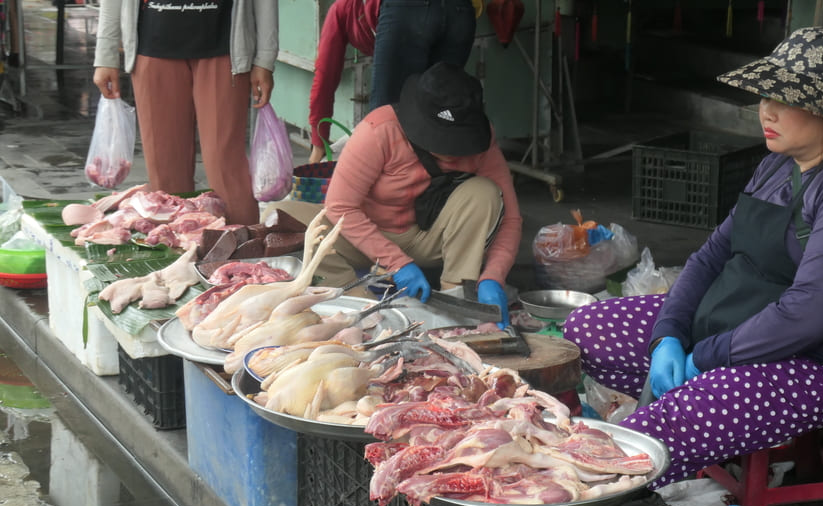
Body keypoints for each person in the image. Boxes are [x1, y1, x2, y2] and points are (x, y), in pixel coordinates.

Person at [563, 27, 823, 488]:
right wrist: (670, 334)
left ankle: (653, 459)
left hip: (816, 361)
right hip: (735, 321)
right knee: (585, 331)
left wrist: (704, 359)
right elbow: (711, 256)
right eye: (764, 95)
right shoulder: (779, 161)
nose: (765, 111)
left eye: (783, 99)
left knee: (658, 433)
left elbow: (806, 316)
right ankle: (700, 430)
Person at [271, 61, 521, 327]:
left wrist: (494, 277)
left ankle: (456, 297)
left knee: (483, 194)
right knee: (281, 218)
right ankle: (362, 304)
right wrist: (397, 262)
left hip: (431, 238)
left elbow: (512, 219)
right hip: (366, 238)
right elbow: (340, 206)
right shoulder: (379, 130)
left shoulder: (483, 141)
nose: (450, 149)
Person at [92, 0, 277, 226]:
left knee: (225, 161)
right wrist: (105, 55)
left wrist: (265, 59)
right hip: (152, 45)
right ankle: (175, 243)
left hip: (224, 47)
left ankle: (244, 248)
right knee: (164, 163)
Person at [307, 0, 482, 164]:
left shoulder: (341, 9)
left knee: (382, 126)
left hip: (410, 8)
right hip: (460, 10)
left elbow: (324, 78)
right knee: (443, 119)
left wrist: (318, 143)